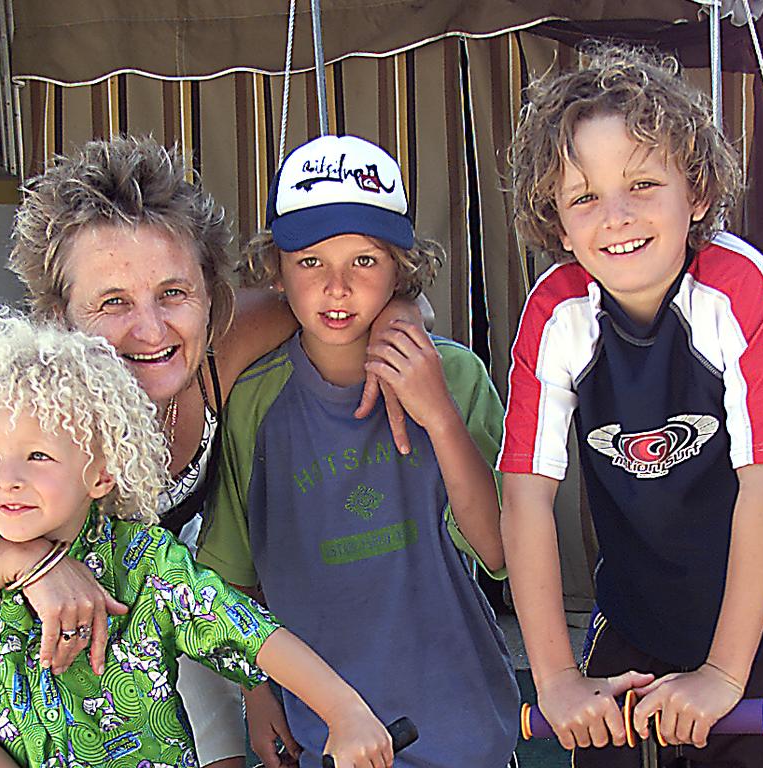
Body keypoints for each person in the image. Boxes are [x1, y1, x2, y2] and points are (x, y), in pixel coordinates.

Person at [0, 136, 416, 768]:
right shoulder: (23, 428)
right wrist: (23, 559)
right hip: (56, 663)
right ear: (59, 317)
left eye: (173, 293)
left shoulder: (226, 344)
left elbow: (348, 301)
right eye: (112, 303)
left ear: (212, 297)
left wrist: (395, 320)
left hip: (185, 610)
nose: (151, 330)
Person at [498, 44, 763, 767]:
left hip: (759, 624)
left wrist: (722, 674)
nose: (615, 216)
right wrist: (554, 678)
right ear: (555, 219)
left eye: (643, 183)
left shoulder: (737, 288)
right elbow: (524, 497)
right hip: (637, 619)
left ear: (699, 193)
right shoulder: (556, 313)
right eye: (584, 196)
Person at [0, 316, 392, 768]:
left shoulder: (145, 561)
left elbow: (250, 632)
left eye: (37, 455)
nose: (6, 479)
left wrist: (344, 710)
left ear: (100, 473)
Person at [196, 134, 521, 768]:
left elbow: (500, 548)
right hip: (328, 733)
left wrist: (438, 416)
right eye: (311, 261)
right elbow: (234, 573)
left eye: (365, 261)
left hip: (466, 717)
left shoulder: (454, 376)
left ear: (403, 266)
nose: (337, 288)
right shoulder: (253, 400)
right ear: (275, 268)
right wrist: (257, 692)